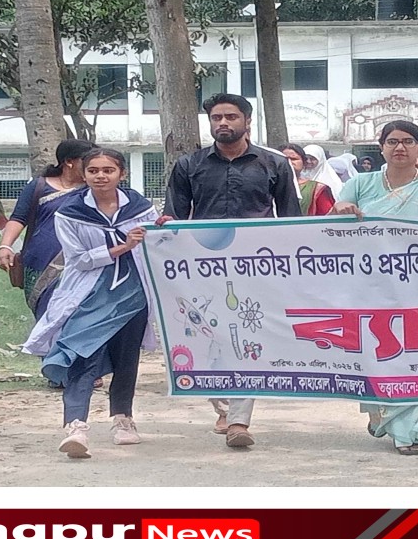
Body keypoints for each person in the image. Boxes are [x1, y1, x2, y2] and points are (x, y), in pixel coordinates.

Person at [162, 93, 301, 448]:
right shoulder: (188, 165)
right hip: (202, 268)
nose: (223, 123)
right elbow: (174, 218)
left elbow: (291, 220)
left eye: (231, 117)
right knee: (208, 336)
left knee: (244, 335)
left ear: (247, 121)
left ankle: (239, 419)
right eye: (216, 118)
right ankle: (222, 405)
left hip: (257, 267)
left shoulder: (274, 164)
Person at [331, 120, 418, 455]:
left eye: (408, 142)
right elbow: (335, 225)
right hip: (372, 285)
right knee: (381, 351)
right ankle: (382, 413)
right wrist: (341, 210)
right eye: (392, 141)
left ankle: (409, 431)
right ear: (381, 147)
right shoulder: (359, 184)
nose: (400, 148)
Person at [22, 149, 158, 459]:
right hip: (89, 295)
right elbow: (79, 260)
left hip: (133, 294)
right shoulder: (70, 212)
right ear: (83, 174)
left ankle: (123, 418)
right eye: (93, 170)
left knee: (127, 358)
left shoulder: (140, 207)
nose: (101, 176)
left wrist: (163, 229)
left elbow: (157, 244)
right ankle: (75, 426)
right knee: (81, 355)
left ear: (121, 174)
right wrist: (121, 247)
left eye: (108, 170)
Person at [0, 139, 98, 388]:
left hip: (82, 263)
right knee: (49, 316)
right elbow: (18, 218)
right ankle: (56, 370)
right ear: (69, 162)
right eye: (87, 162)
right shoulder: (39, 186)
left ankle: (83, 370)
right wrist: (5, 246)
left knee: (80, 315)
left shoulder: (95, 190)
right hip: (39, 262)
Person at [279, 143, 335, 216]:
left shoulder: (317, 189)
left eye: (293, 159)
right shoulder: (269, 187)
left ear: (304, 163)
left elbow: (327, 217)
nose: (289, 162)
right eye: (284, 159)